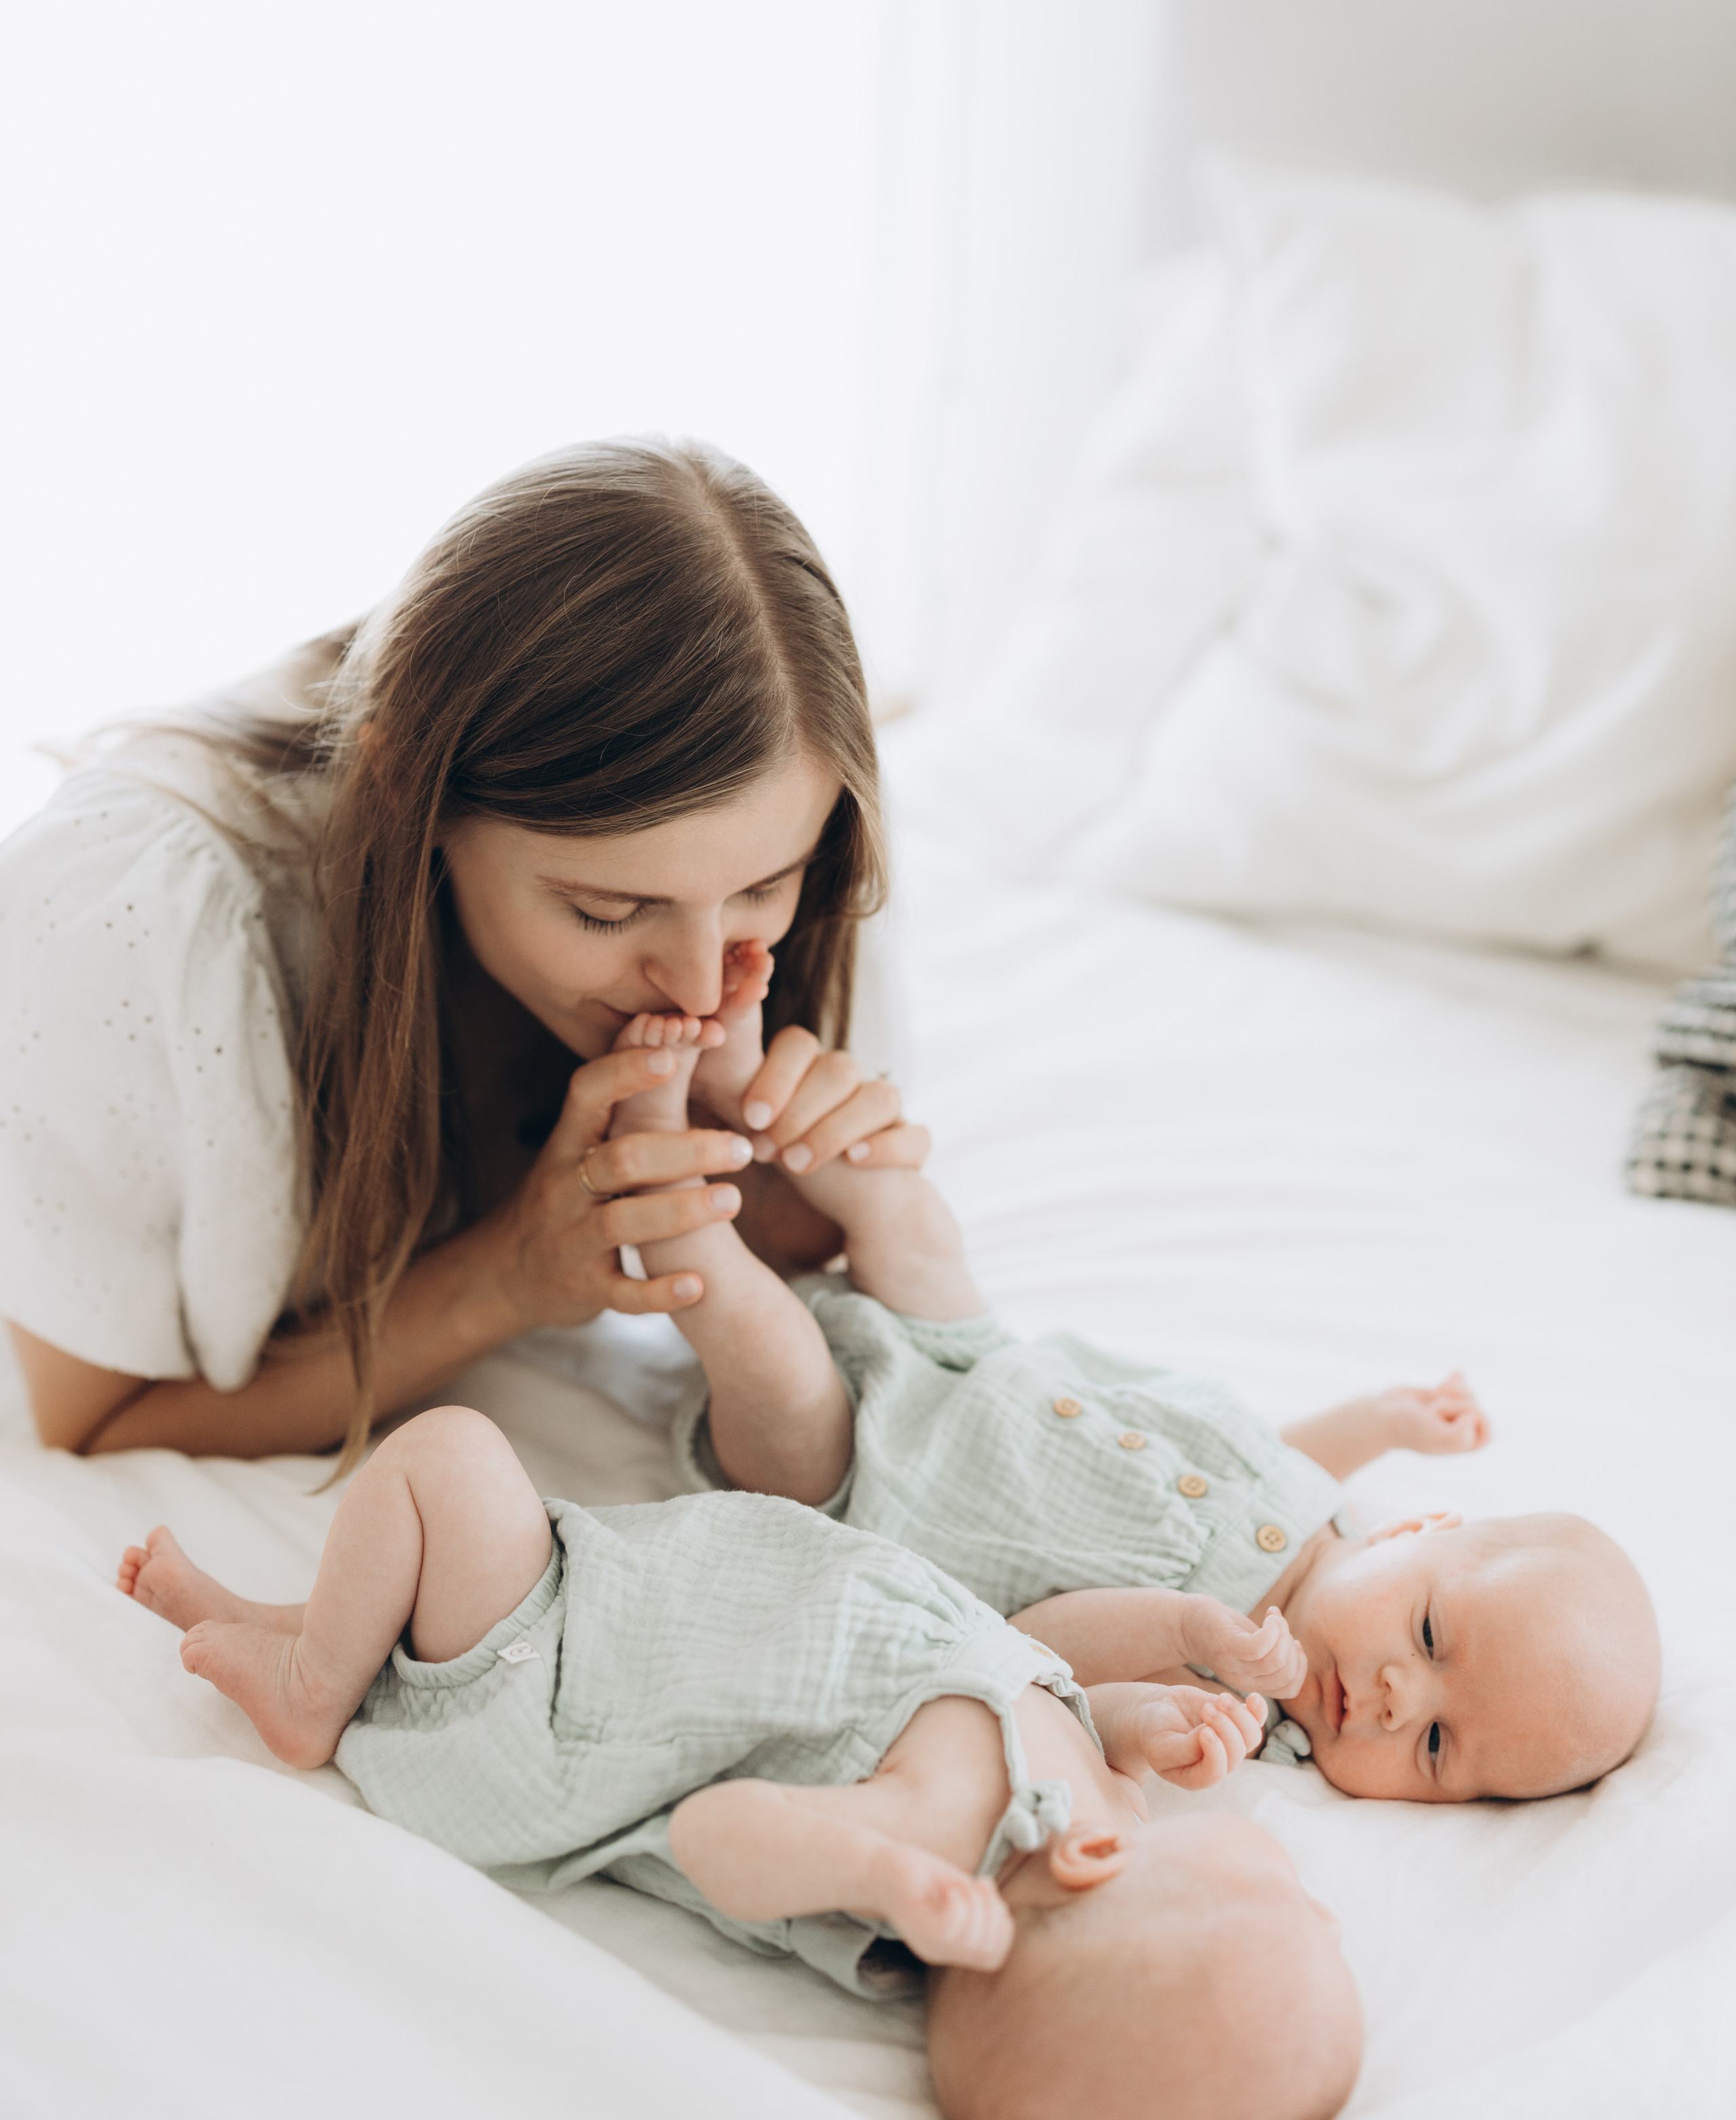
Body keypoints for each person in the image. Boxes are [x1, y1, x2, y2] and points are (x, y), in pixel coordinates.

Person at [0, 441, 920, 1464]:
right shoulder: (131, 923)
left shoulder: (785, 808)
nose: (704, 984)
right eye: (609, 910)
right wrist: (505, 1278)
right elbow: (96, 1418)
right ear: (411, 792)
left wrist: (778, 1180)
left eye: (761, 890)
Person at [115, 1405, 1363, 2120]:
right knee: (412, 1560)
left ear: (1094, 1871)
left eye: (1296, 1916)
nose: (1324, 1907)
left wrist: (882, 1870)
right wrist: (1139, 1712)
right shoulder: (1100, 1794)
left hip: (554, 1670)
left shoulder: (934, 1842)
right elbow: (1028, 1662)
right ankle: (283, 1630)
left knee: (446, 1460)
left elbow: (715, 1836)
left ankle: (310, 1691)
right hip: (621, 1598)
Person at [604, 989, 1663, 1805]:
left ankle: (661, 1178)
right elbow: (1284, 1456)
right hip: (970, 1352)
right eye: (1430, 1635)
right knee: (910, 1219)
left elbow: (1043, 1642)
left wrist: (1186, 1643)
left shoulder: (1234, 1702)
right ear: (1415, 1532)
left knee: (774, 1354)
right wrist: (1385, 1421)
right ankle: (743, 1085)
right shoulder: (1316, 1515)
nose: (1397, 1698)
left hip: (864, 1480)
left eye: (1435, 1745)